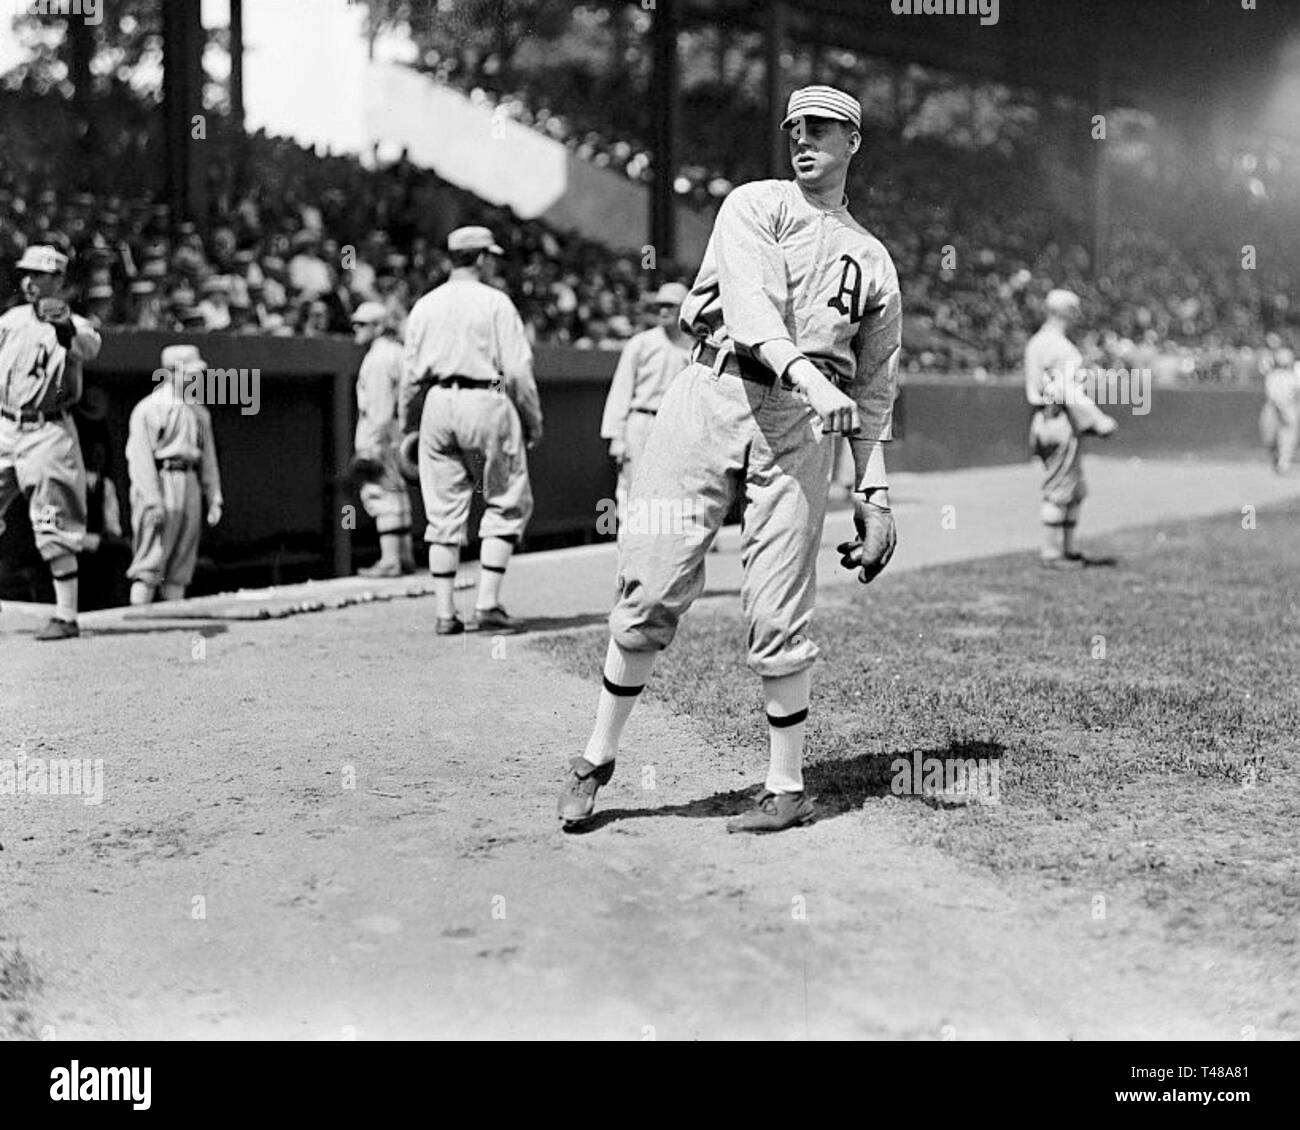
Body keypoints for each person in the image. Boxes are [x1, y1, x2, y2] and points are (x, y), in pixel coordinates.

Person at [556, 85, 902, 834]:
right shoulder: (756, 203)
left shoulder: (873, 259)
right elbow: (748, 311)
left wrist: (874, 494)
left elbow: (874, 390)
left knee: (780, 600)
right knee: (650, 581)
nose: (804, 139)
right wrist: (809, 375)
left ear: (853, 142)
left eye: (822, 128)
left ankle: (785, 786)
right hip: (714, 390)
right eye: (795, 128)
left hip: (801, 427)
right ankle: (596, 757)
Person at [399, 226, 543, 635]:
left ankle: (445, 613)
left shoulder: (425, 305)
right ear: (481, 258)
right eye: (490, 256)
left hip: (438, 401)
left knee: (442, 512)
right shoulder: (495, 301)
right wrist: (532, 419)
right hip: (486, 397)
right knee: (506, 500)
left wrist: (407, 423)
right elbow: (517, 371)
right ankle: (487, 603)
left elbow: (410, 378)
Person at [0, 244, 102, 639]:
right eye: (27, 272)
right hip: (6, 425)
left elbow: (90, 347)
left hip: (48, 429)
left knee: (53, 522)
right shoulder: (10, 320)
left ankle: (66, 615)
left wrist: (64, 326)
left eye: (40, 275)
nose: (30, 280)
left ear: (58, 281)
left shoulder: (76, 324)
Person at [124, 344, 224, 604]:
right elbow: (140, 459)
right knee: (151, 561)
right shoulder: (149, 408)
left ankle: (174, 627)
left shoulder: (199, 411)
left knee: (181, 563)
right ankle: (139, 628)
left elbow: (208, 458)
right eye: (188, 372)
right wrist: (152, 499)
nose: (196, 377)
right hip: (161, 479)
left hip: (188, 480)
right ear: (170, 372)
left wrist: (213, 495)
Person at [1024, 289, 1117, 568]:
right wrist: (1097, 419)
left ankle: (1068, 549)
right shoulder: (1062, 348)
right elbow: (1067, 391)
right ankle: (1054, 554)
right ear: (1068, 312)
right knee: (1061, 488)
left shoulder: (1035, 343)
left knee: (1073, 487)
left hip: (1042, 419)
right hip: (1061, 419)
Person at [600, 282, 693, 534]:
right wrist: (616, 437)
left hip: (676, 426)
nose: (664, 310)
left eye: (670, 305)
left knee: (674, 494)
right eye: (660, 305)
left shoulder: (694, 347)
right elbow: (621, 390)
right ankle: (630, 557)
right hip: (642, 421)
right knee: (634, 493)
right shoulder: (641, 343)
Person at [351, 301, 415, 576]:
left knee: (380, 493)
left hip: (381, 432)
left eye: (363, 324)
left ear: (378, 326)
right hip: (398, 432)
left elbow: (379, 408)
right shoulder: (398, 351)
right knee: (397, 493)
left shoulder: (378, 357)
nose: (356, 328)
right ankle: (405, 555)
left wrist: (372, 445)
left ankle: (390, 560)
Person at [1259, 347, 1299, 474]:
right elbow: (1272, 396)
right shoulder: (1273, 376)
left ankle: (1283, 463)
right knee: (1269, 437)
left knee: (1287, 437)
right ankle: (1277, 458)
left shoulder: (1294, 375)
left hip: (1288, 408)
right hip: (1273, 408)